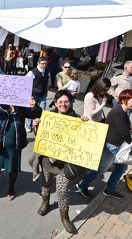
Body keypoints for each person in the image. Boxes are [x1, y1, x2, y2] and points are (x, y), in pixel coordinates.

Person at [33, 90, 88, 233]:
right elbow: (40, 137)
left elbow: (84, 139)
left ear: (70, 102)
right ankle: (45, 202)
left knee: (63, 190)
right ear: (56, 103)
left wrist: (86, 125)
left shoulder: (76, 118)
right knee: (46, 183)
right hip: (47, 159)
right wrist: (37, 127)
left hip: (65, 163)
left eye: (66, 101)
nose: (63, 104)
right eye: (60, 102)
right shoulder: (48, 117)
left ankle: (64, 217)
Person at [76, 89, 132, 200]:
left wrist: (131, 130)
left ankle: (110, 189)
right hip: (111, 146)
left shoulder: (122, 112)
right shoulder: (118, 112)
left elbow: (125, 129)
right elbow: (124, 132)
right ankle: (82, 185)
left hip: (117, 145)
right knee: (100, 170)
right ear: (124, 100)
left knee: (121, 168)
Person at [0, 91, 42, 201]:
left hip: (15, 143)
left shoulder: (22, 108)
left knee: (12, 167)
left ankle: (11, 188)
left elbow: (36, 114)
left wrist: (34, 106)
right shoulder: (0, 106)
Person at [25, 56, 50, 133]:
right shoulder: (32, 72)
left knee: (42, 110)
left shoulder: (47, 71)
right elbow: (25, 82)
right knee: (31, 110)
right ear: (38, 63)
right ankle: (29, 126)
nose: (44, 65)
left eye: (46, 63)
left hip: (42, 94)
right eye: (42, 64)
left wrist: (47, 91)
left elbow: (47, 82)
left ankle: (39, 125)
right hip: (34, 94)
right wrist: (28, 94)